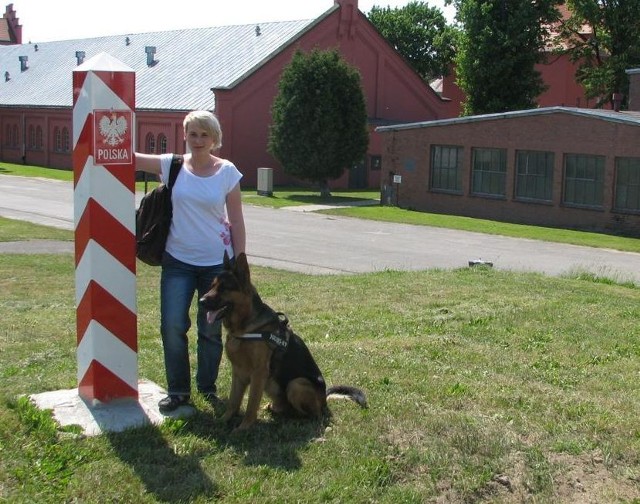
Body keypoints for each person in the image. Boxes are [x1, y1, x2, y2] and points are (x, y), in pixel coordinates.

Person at [135, 110, 246, 413]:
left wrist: (239, 262)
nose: (198, 140)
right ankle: (178, 391)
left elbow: (235, 218)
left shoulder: (227, 172)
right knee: (172, 325)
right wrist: (99, 135)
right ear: (185, 135)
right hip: (178, 261)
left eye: (204, 135)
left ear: (214, 139)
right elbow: (129, 157)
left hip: (216, 265)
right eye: (192, 133)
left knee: (210, 330)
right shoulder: (171, 165)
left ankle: (207, 387)